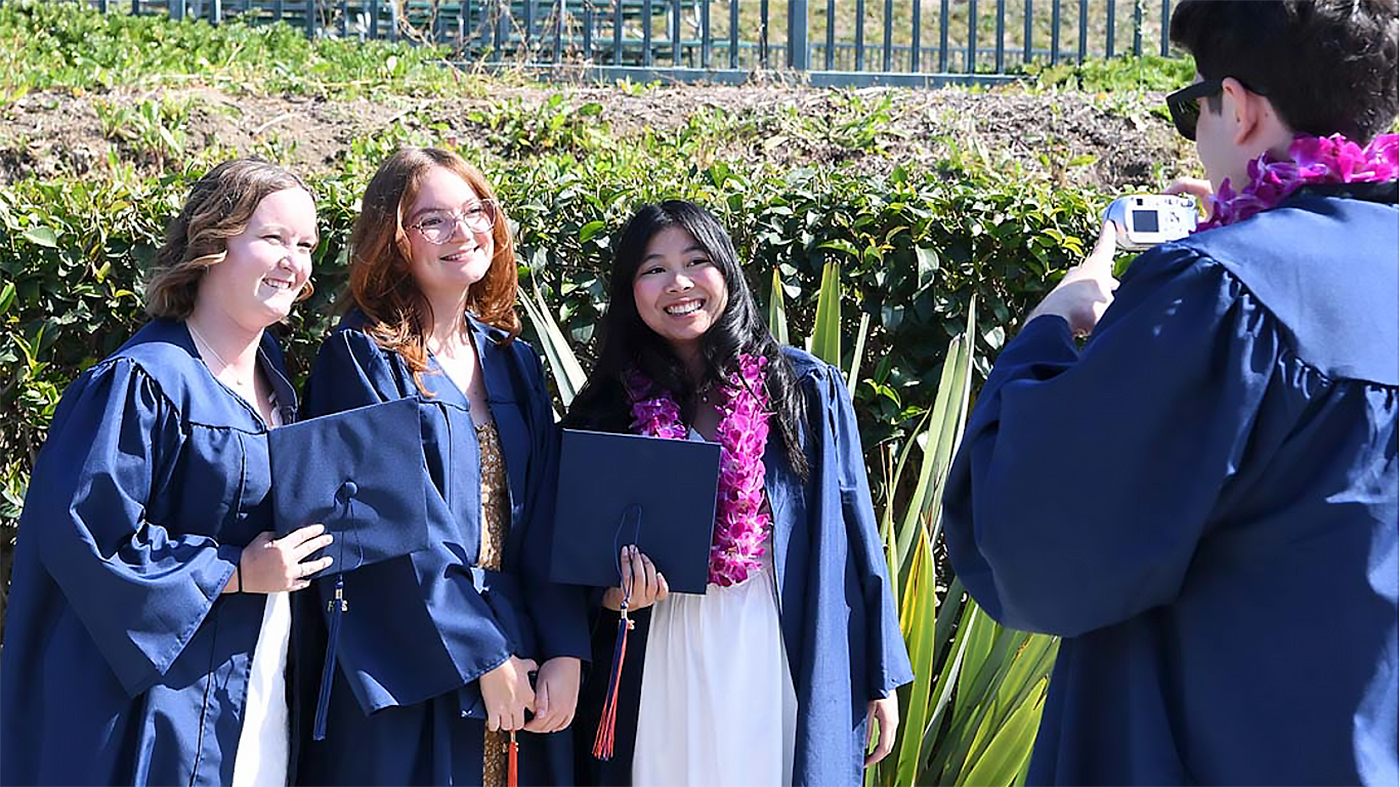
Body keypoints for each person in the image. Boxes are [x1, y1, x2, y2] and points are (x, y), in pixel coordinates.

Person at [941, 0, 1398, 783]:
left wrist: (1050, 331)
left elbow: (1040, 552)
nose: (1195, 130)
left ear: (1245, 110)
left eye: (1195, 107)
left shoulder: (1221, 294)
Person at [0, 159, 332, 785]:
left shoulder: (279, 390)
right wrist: (233, 572)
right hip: (152, 706)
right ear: (212, 243)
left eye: (306, 245)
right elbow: (88, 536)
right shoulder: (143, 381)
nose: (294, 260)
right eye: (272, 238)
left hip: (256, 684)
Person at [565, 200, 912, 786]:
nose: (678, 283)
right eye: (653, 268)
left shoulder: (802, 390)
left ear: (726, 271)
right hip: (660, 650)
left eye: (696, 260)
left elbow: (854, 535)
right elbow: (569, 562)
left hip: (774, 641)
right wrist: (610, 596)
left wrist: (876, 674)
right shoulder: (606, 412)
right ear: (630, 291)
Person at [293, 147, 586, 786]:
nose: (463, 232)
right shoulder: (362, 358)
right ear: (393, 242)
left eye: (475, 211)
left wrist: (565, 645)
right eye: (432, 220)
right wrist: (480, 655)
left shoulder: (515, 361)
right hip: (416, 659)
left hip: (521, 652)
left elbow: (548, 519)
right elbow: (387, 528)